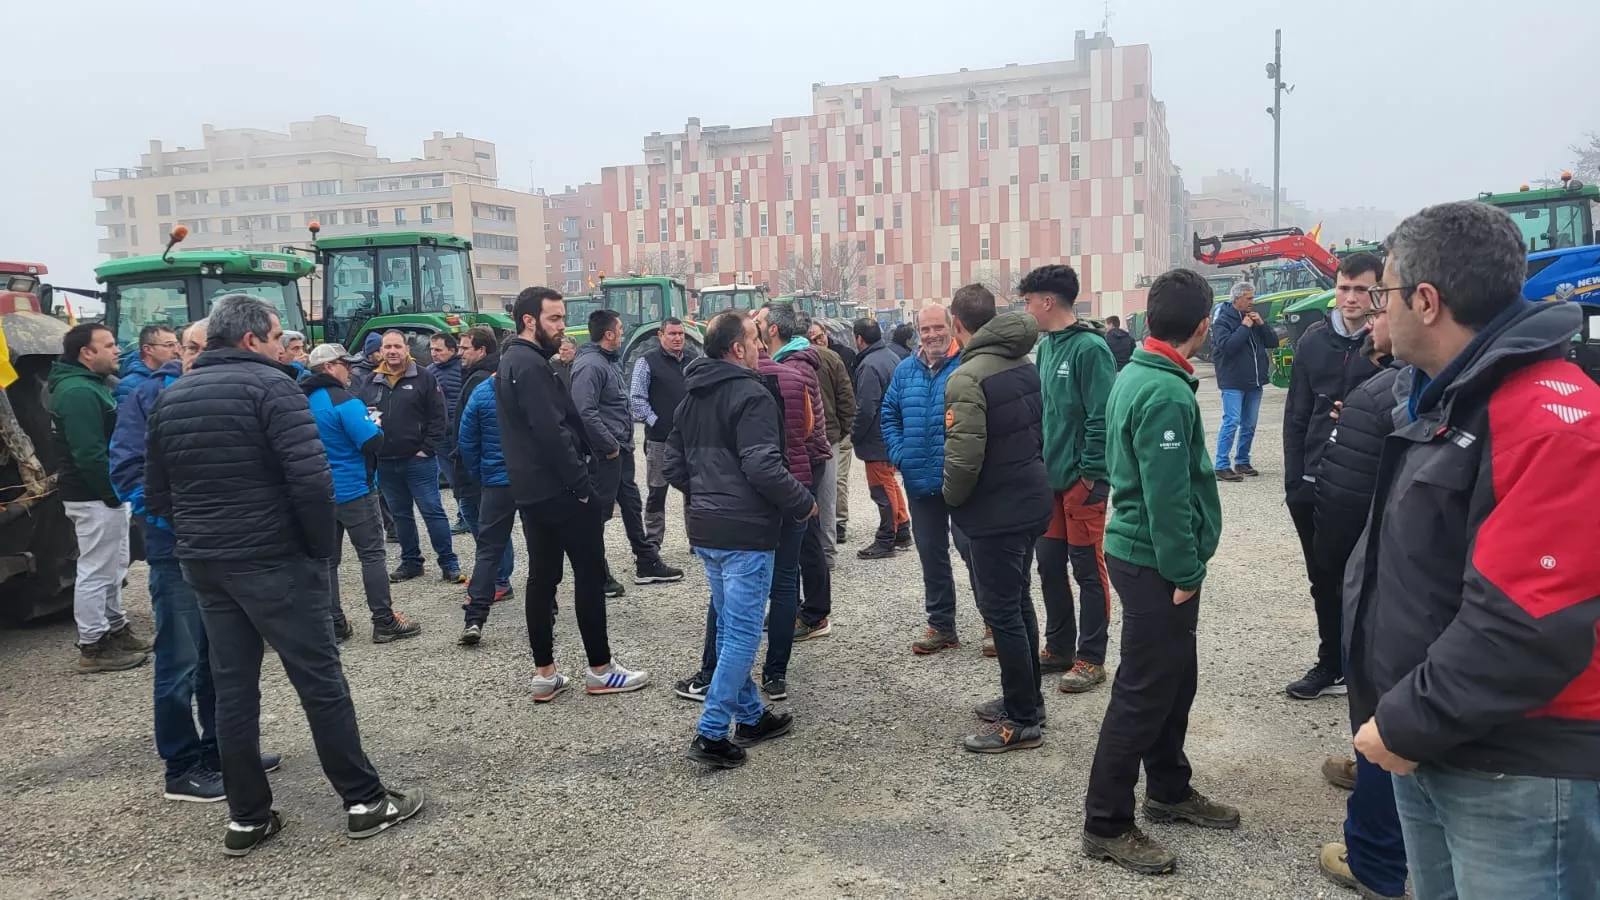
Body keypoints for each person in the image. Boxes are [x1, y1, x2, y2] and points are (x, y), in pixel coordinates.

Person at [1347, 202, 1600, 899]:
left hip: (1514, 765)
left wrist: (1401, 721)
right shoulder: (1448, 402)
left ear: (1426, 302)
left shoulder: (1546, 419)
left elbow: (1524, 621)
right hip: (1439, 741)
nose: (1376, 310)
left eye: (1383, 294)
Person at [146, 294, 422, 856]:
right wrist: (317, 552)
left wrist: (203, 537)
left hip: (207, 564)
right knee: (320, 682)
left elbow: (159, 493)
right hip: (274, 558)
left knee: (232, 688)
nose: (282, 347)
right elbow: (311, 481)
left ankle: (247, 816)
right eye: (277, 337)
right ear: (251, 339)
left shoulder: (173, 397)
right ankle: (364, 800)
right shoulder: (276, 388)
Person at [1082, 268, 1235, 876]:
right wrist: (1186, 570)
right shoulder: (1165, 391)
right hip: (1154, 562)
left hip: (1143, 555)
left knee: (1176, 678)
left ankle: (1168, 789)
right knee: (1142, 694)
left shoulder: (1141, 371)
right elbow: (1166, 496)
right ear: (1204, 326)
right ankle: (1107, 822)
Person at [111, 316, 281, 801]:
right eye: (187, 346)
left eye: (204, 347)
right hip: (176, 552)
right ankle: (181, 765)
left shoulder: (228, 395)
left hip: (224, 549)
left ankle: (221, 750)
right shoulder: (149, 399)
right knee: (180, 660)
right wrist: (179, 522)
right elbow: (127, 472)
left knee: (221, 659)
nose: (196, 355)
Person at [668, 310, 814, 768]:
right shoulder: (751, 395)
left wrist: (709, 495)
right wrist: (802, 502)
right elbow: (762, 466)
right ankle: (711, 734)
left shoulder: (691, 396)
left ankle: (750, 717)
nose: (760, 345)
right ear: (737, 349)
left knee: (733, 627)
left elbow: (672, 467)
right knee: (744, 635)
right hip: (745, 534)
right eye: (754, 338)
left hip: (707, 529)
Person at [498, 287, 649, 700]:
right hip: (559, 489)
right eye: (555, 318)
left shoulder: (513, 361)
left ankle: (545, 674)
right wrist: (583, 487)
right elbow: (551, 433)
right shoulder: (528, 366)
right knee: (588, 573)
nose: (563, 327)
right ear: (530, 320)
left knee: (542, 578)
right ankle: (600, 668)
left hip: (532, 491)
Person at [1310, 305, 1411, 900]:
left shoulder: (1381, 396)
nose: (1370, 313)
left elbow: (1344, 507)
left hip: (1385, 587)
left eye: (1382, 299)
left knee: (1379, 698)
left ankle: (1372, 854)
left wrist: (1339, 574)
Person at [942, 285, 1053, 753]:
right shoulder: (1023, 365)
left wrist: (950, 498)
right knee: (1018, 602)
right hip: (1028, 501)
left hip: (995, 512)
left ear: (957, 324)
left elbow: (965, 459)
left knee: (1002, 609)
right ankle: (1026, 699)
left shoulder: (967, 377)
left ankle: (1022, 719)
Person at [1281, 252, 1384, 701]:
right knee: (1323, 577)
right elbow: (1296, 416)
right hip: (1313, 482)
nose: (1352, 298)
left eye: (1362, 289)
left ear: (1379, 292)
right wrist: (1293, 481)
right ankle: (1332, 664)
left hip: (1367, 484)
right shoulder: (1312, 342)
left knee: (1368, 580)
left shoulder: (1390, 346)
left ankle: (1370, 668)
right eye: (1345, 287)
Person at [1020, 264, 1117, 693]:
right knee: (1049, 567)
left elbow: (1102, 417)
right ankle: (1058, 647)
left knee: (1088, 571)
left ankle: (1091, 657)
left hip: (1081, 483)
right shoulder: (1047, 348)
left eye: (1027, 301)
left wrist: (1091, 475)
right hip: (1050, 482)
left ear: (1047, 302)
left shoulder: (1090, 350)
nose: (1026, 310)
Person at [302, 343, 421, 645]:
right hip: (354, 489)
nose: (352, 369)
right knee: (372, 556)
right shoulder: (345, 401)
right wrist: (375, 425)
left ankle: (335, 624)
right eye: (345, 363)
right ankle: (384, 621)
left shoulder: (303, 401)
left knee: (328, 561)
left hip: (319, 492)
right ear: (329, 367)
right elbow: (371, 443)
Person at [51, 322, 148, 672]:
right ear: (86, 353)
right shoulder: (78, 393)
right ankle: (93, 645)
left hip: (104, 494)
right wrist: (113, 492)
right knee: (95, 569)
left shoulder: (90, 387)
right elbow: (90, 453)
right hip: (94, 495)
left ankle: (115, 626)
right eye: (107, 345)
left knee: (114, 565)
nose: (116, 350)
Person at [882, 304, 973, 654]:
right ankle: (941, 625)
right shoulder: (905, 371)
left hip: (961, 482)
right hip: (920, 480)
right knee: (932, 555)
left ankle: (993, 622)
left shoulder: (966, 366)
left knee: (973, 552)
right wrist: (900, 454)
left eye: (938, 327)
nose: (932, 335)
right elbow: (889, 414)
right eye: (925, 329)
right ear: (917, 332)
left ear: (952, 326)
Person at [572, 309, 683, 590]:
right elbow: (585, 412)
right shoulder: (591, 366)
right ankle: (596, 573)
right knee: (599, 514)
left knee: (632, 506)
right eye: (620, 328)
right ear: (608, 334)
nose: (622, 332)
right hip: (605, 454)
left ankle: (646, 560)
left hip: (621, 450)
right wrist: (609, 446)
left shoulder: (609, 362)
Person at [357, 330, 461, 583]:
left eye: (396, 346)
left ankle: (449, 563)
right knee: (400, 515)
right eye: (387, 346)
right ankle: (411, 562)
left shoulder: (424, 377)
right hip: (386, 461)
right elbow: (362, 415)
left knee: (432, 511)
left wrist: (427, 448)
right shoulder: (371, 380)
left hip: (419, 461)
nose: (391, 351)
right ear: (380, 350)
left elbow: (440, 417)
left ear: (406, 349)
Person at [456, 363, 520, 644]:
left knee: (488, 550)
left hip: (494, 482)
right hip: (530, 479)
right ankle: (547, 608)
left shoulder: (480, 393)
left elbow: (466, 441)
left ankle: (474, 617)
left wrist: (481, 474)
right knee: (544, 546)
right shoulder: (529, 390)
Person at [452, 327, 513, 604]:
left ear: (482, 350)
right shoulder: (477, 378)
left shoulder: (481, 382)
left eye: (465, 348)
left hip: (482, 471)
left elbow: (469, 437)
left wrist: (474, 472)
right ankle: (494, 577)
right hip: (482, 469)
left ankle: (498, 580)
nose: (459, 353)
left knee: (487, 530)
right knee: (488, 527)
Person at [629, 317, 690, 553]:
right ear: (661, 335)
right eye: (672, 334)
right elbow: (636, 399)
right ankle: (653, 539)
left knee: (693, 490)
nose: (677, 338)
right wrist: (657, 422)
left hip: (688, 441)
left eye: (681, 334)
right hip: (660, 441)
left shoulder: (692, 362)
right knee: (657, 491)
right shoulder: (647, 362)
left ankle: (696, 537)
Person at [851, 318, 910, 557]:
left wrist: (855, 433)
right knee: (890, 481)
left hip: (876, 437)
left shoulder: (869, 366)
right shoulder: (891, 357)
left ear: (859, 339)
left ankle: (887, 537)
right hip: (892, 432)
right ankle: (903, 528)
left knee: (880, 488)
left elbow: (866, 408)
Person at [1209, 281, 1276, 482]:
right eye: (1249, 298)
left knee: (1250, 423)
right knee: (1232, 421)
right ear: (1237, 299)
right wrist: (1244, 327)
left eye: (1253, 297)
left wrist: (1262, 325)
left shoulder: (1253, 319)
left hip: (1254, 380)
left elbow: (1272, 342)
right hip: (1232, 380)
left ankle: (1242, 461)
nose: (1252, 302)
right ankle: (1221, 465)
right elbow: (1227, 347)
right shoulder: (1222, 320)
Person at [804, 314, 855, 568]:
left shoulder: (781, 357)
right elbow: (847, 399)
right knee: (827, 496)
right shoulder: (831, 357)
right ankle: (827, 553)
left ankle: (804, 552)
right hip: (829, 437)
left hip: (800, 438)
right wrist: (841, 431)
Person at [427, 332, 469, 535]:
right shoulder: (428, 373)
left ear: (452, 351)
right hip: (442, 437)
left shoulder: (463, 370)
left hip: (461, 433)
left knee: (466, 475)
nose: (434, 354)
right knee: (452, 478)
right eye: (431, 350)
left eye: (438, 350)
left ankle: (470, 515)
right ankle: (464, 515)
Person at [114, 324, 178, 403]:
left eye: (177, 345)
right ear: (148, 349)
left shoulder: (178, 377)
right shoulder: (129, 386)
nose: (176, 351)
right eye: (169, 345)